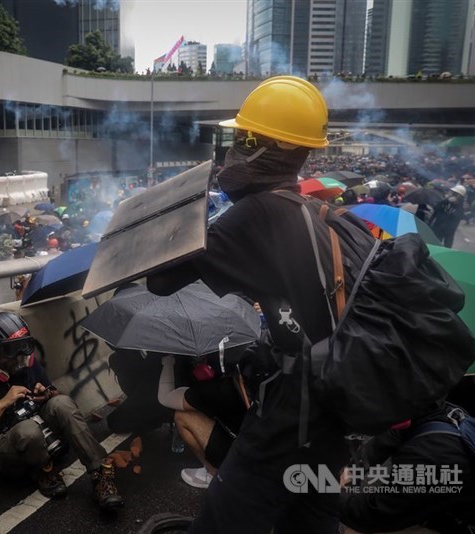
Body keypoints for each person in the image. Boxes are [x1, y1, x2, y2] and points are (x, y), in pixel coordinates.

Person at [146, 76, 376, 532]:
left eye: (236, 141)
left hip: (293, 407)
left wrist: (176, 206)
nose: (229, 153)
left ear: (258, 145)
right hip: (332, 405)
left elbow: (160, 280)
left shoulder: (255, 216)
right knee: (310, 516)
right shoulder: (309, 210)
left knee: (227, 518)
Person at [0, 312, 124, 510]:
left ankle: (100, 474)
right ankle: (44, 471)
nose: (19, 356)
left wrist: (47, 394)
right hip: (10, 454)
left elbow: (56, 395)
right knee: (27, 430)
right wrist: (2, 403)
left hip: (42, 437)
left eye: (22, 347)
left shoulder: (28, 366)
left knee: (62, 403)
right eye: (11, 351)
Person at [340, 403, 475, 533]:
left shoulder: (429, 456)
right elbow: (400, 427)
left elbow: (369, 515)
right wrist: (357, 467)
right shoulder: (433, 404)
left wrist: (325, 491)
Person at [158, 354, 247, 490]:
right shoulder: (266, 379)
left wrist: (168, 361)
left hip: (245, 460)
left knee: (182, 416)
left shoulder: (217, 389)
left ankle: (215, 474)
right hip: (274, 458)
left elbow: (164, 398)